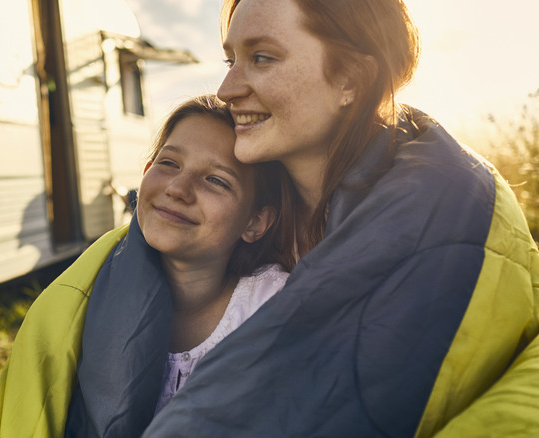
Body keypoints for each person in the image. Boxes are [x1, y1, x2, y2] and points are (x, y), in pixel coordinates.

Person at [139, 0, 539, 437]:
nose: (226, 88)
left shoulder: (447, 203)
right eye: (230, 59)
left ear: (350, 79)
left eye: (262, 58)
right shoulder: (251, 204)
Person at [0, 95, 291, 438]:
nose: (178, 189)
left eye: (216, 180)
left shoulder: (273, 310)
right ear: (145, 174)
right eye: (169, 163)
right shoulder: (83, 297)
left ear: (255, 221)